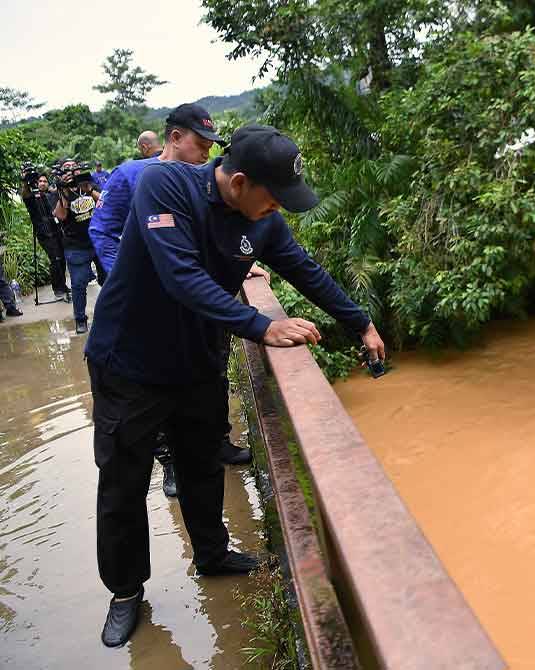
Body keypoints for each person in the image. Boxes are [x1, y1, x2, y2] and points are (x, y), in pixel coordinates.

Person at [85, 124, 385, 647]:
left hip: (197, 360)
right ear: (240, 181)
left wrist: (359, 321)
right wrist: (263, 326)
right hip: (129, 363)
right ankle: (126, 591)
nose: (280, 209)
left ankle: (212, 552)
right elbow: (181, 277)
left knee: (202, 462)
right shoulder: (165, 187)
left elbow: (304, 270)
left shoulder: (263, 222)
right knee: (123, 482)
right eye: (275, 198)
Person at [90, 103, 257, 497]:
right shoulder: (133, 176)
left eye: (210, 147)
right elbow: (102, 230)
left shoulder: (199, 184)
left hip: (190, 314)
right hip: (142, 318)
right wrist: (130, 280)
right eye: (200, 145)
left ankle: (216, 445)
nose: (206, 155)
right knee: (145, 409)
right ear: (175, 138)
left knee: (200, 393)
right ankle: (168, 466)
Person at [52, 160, 106, 334]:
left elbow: (105, 202)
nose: (70, 171)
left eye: (73, 168)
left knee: (109, 278)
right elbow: (60, 215)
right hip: (76, 246)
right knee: (78, 284)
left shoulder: (89, 183)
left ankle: (111, 313)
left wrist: (89, 189)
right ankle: (80, 320)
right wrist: (65, 191)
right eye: (66, 169)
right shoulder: (59, 190)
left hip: (98, 240)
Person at [20, 173, 70, 301]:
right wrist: (26, 182)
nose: (42, 183)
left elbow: (53, 211)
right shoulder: (31, 197)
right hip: (44, 234)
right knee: (55, 259)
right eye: (40, 181)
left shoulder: (46, 195)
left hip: (55, 230)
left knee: (62, 258)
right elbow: (25, 194)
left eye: (44, 181)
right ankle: (57, 289)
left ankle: (62, 286)